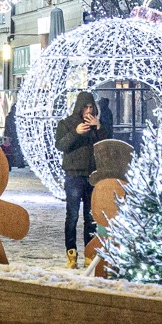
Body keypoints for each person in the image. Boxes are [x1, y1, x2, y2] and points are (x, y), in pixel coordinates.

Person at [55, 91, 108, 269]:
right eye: (85, 107)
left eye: (91, 107)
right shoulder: (67, 124)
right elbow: (60, 145)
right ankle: (71, 253)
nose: (88, 110)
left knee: (90, 217)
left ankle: (89, 253)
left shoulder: (97, 126)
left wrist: (99, 127)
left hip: (92, 176)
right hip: (73, 175)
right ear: (79, 107)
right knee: (72, 216)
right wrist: (76, 133)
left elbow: (107, 146)